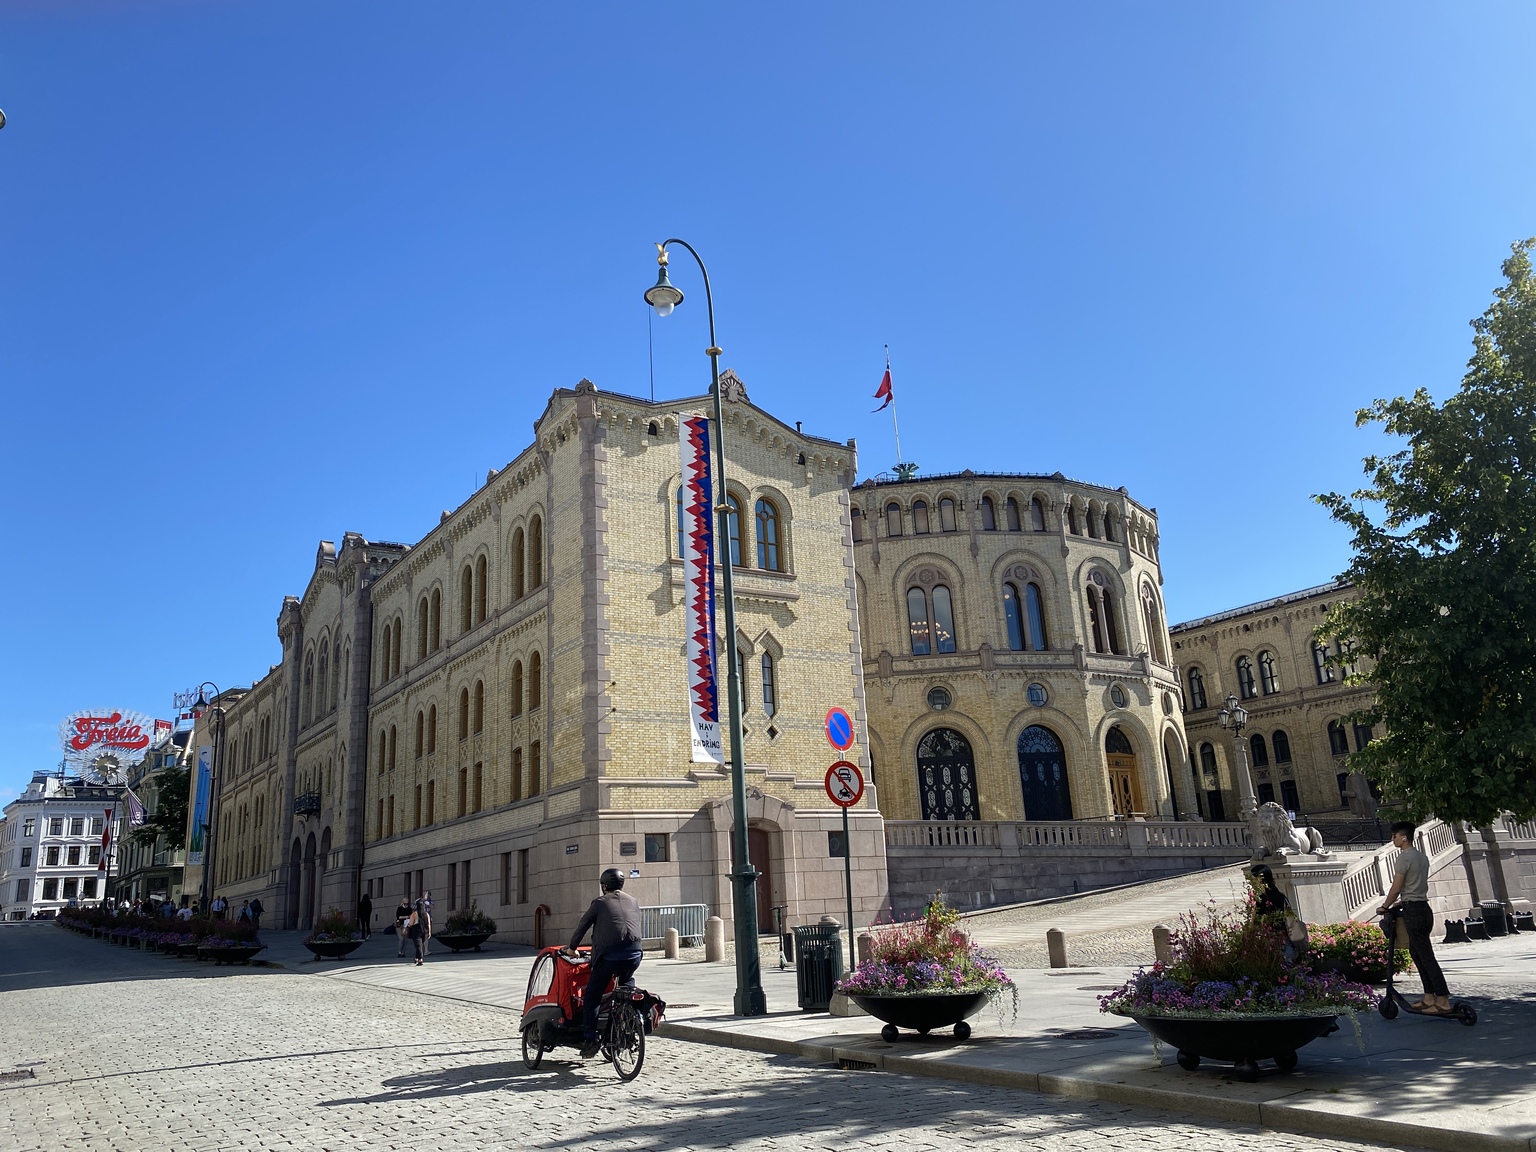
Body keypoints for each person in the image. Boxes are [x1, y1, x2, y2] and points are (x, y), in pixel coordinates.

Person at [566, 868, 644, 1059]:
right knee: (626, 988)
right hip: (634, 954)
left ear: (604, 886)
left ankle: (591, 1040)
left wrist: (572, 947)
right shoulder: (633, 901)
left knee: (593, 995)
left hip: (609, 956)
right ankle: (626, 1026)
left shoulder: (600, 903)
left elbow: (583, 925)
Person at [1378, 821, 1453, 1013]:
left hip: (1413, 912)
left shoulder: (1404, 858)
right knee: (1417, 953)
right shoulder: (1422, 857)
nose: (1392, 839)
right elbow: (1416, 885)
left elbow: (1396, 887)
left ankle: (1443, 1000)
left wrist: (1385, 906)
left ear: (1404, 838)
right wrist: (1403, 902)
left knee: (1426, 956)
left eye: (1394, 836)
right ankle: (1429, 997)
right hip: (1422, 908)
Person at [1250, 863, 1308, 961]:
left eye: (1253, 880)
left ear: (1261, 881)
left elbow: (1258, 923)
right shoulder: (1280, 895)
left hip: (1272, 941)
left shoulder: (1263, 899)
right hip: (1286, 939)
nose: (1252, 884)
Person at [407, 899, 428, 965]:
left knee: (418, 945)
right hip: (424, 930)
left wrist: (408, 926)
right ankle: (416, 958)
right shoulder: (426, 914)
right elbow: (429, 923)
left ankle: (420, 959)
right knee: (419, 945)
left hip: (416, 930)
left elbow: (410, 923)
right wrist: (429, 932)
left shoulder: (414, 914)